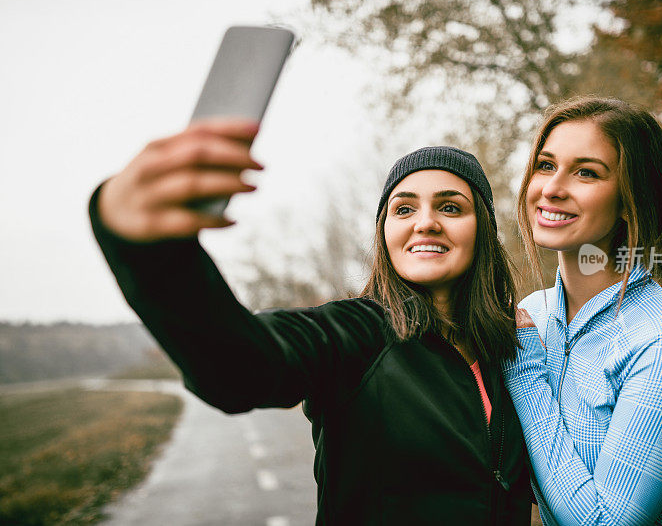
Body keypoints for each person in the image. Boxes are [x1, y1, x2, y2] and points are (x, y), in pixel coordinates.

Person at [88, 121, 534, 525]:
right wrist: (149, 252)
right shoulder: (360, 334)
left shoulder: (513, 353)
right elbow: (241, 367)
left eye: (451, 208)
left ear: (483, 231)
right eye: (403, 209)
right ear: (384, 232)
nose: (425, 223)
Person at [504, 96, 662, 525]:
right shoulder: (531, 315)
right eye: (545, 165)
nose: (552, 188)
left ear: (632, 199)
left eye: (586, 172)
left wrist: (525, 372)